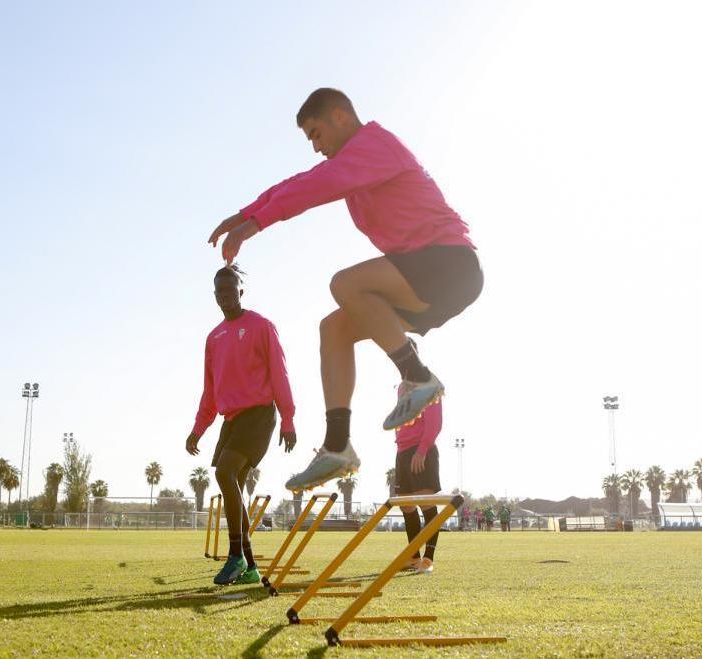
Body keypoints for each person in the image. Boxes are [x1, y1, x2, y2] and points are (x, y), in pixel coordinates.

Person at [207, 88, 482, 492]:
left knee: (346, 284)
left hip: (449, 263)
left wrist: (255, 225)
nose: (317, 147)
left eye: (317, 134)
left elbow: (315, 187)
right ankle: (337, 446)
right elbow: (302, 181)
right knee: (333, 329)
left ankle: (417, 376)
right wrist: (245, 212)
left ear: (340, 116)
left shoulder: (374, 146)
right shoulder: (354, 168)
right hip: (426, 280)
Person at [186, 265, 297, 586]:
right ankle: (249, 567)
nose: (224, 296)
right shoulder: (214, 338)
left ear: (241, 291)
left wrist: (288, 419)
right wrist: (198, 429)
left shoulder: (262, 326)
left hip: (260, 414)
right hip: (231, 419)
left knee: (224, 472)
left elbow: (280, 373)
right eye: (218, 292)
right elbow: (210, 389)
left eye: (230, 290)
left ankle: (234, 555)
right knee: (228, 478)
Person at [391, 383, 443, 575]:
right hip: (403, 451)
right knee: (406, 505)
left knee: (426, 503)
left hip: (422, 450)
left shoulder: (429, 384)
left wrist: (422, 451)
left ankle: (428, 559)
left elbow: (435, 423)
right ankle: (414, 557)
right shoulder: (401, 388)